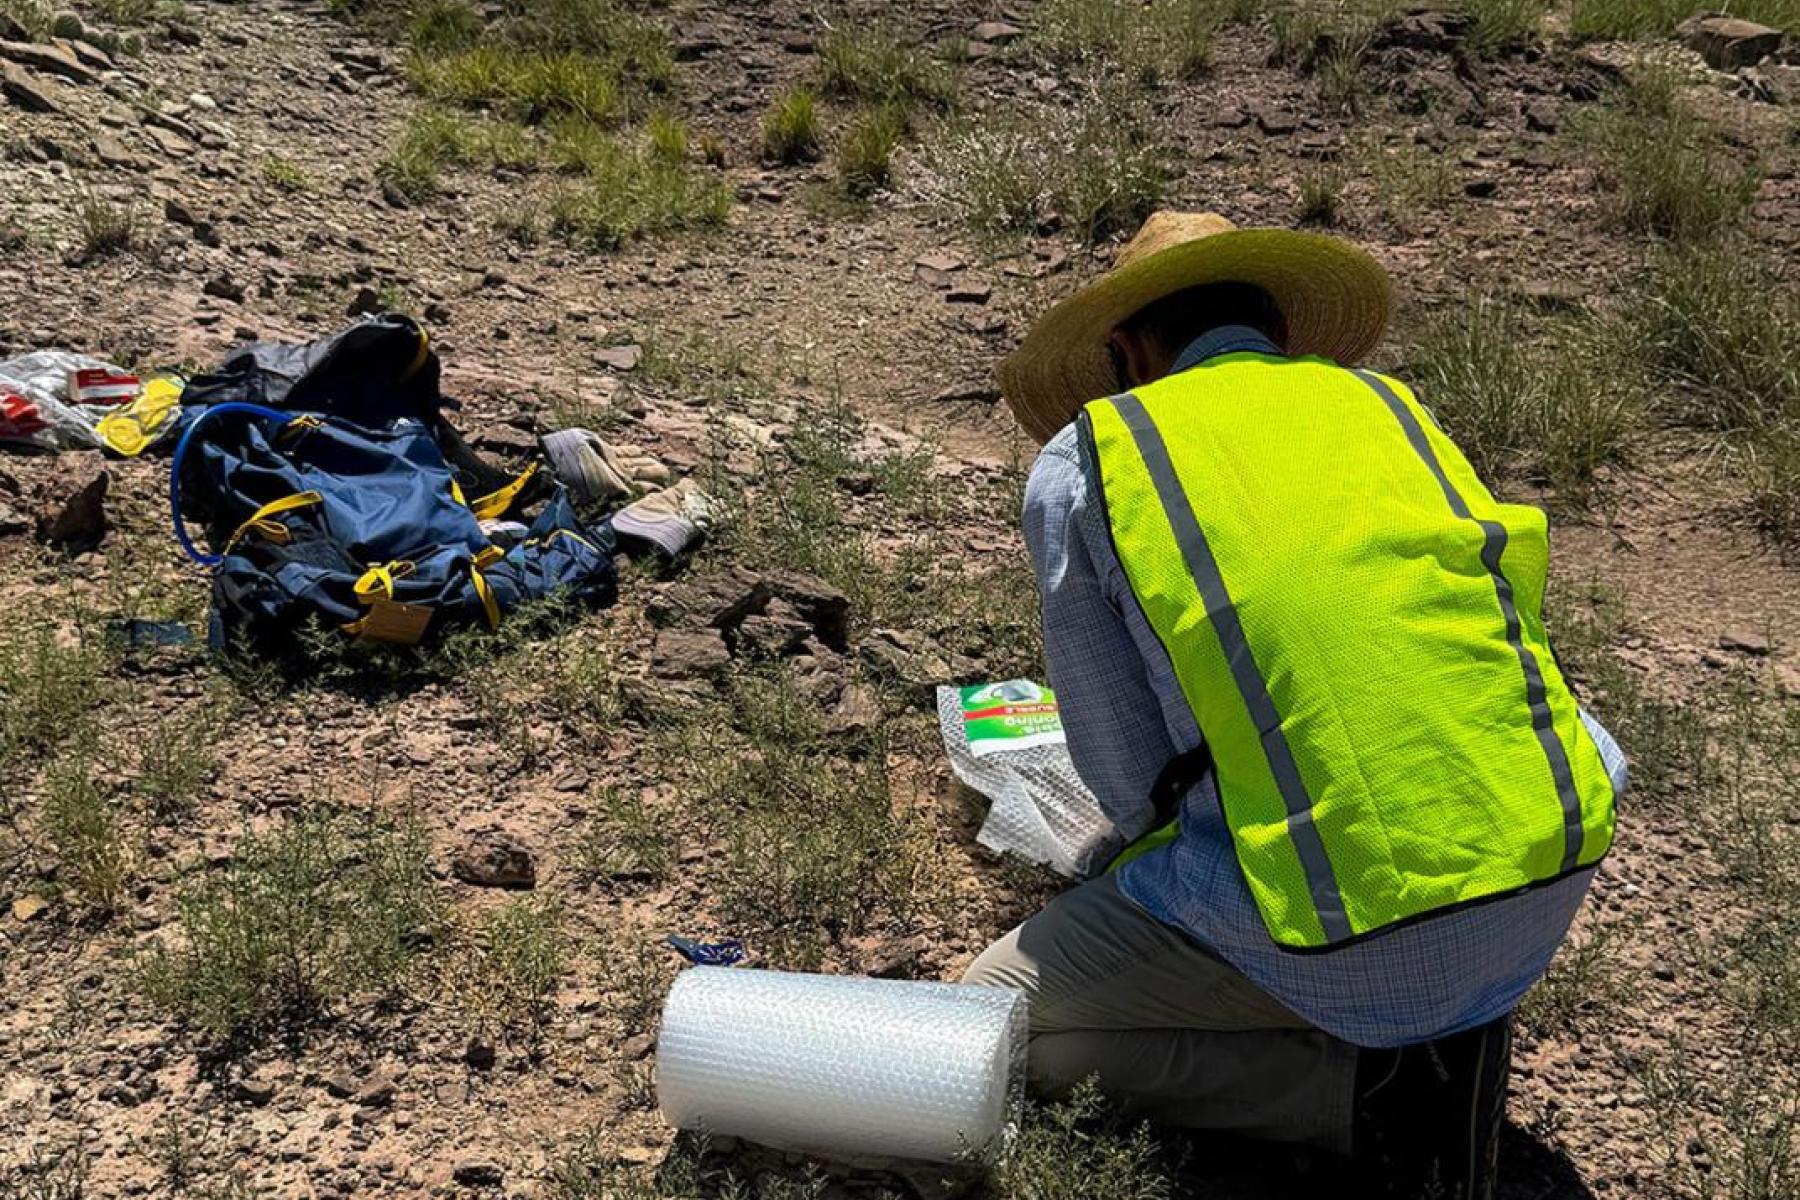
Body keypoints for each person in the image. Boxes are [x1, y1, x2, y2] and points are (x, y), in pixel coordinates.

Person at [966, 212, 1626, 1200]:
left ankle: (1363, 1089)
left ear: (1127, 349)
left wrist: (1117, 870)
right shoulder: (1390, 408)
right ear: (1277, 328)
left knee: (994, 1017)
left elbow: (1126, 775)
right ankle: (1417, 1021)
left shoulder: (1090, 458)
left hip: (1348, 931)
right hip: (1551, 855)